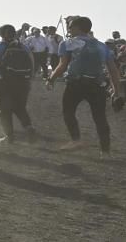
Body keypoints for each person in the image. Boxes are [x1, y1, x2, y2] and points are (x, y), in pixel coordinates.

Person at [47, 15, 122, 154]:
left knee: (68, 112)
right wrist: (116, 91)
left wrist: (51, 78)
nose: (69, 30)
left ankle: (76, 140)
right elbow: (113, 70)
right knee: (100, 117)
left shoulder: (67, 44)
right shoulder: (102, 46)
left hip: (76, 84)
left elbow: (62, 65)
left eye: (70, 27)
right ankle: (105, 149)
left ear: (76, 27)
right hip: (97, 85)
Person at [0, 23, 39, 143]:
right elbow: (32, 63)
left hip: (3, 82)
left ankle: (9, 136)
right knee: (20, 107)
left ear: (1, 34)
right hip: (23, 82)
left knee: (4, 109)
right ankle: (29, 127)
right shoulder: (24, 47)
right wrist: (29, 78)